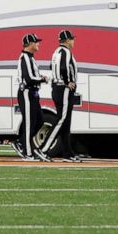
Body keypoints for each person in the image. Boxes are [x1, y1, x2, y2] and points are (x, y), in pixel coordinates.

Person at [40, 29, 79, 162]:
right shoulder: (66, 52)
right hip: (63, 88)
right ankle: (43, 149)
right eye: (72, 39)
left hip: (57, 87)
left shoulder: (56, 52)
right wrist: (69, 82)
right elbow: (64, 68)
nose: (74, 41)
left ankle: (68, 153)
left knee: (65, 122)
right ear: (67, 40)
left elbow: (52, 67)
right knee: (61, 120)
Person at [16, 33, 50, 162]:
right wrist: (43, 79)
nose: (38, 44)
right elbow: (29, 78)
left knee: (39, 121)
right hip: (27, 93)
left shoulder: (30, 57)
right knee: (30, 123)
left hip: (33, 93)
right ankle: (27, 153)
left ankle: (21, 143)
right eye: (36, 42)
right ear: (30, 44)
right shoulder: (25, 57)